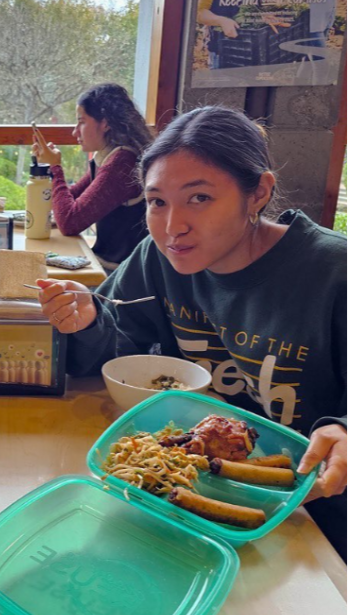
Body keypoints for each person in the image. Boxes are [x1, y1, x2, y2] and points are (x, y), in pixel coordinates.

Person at [36, 106, 348, 561]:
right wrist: (87, 321)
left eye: (199, 198)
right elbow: (120, 351)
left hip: (314, 518)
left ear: (258, 192)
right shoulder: (158, 259)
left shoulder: (333, 273)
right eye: (156, 201)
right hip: (190, 499)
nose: (172, 227)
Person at [32, 83, 153, 273]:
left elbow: (69, 222)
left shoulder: (123, 162)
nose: (75, 132)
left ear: (104, 123)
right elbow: (65, 202)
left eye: (81, 122)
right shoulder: (109, 157)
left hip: (122, 274)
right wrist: (46, 166)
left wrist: (55, 168)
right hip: (109, 267)